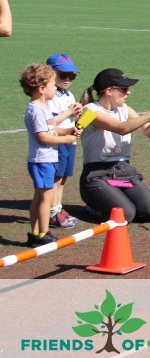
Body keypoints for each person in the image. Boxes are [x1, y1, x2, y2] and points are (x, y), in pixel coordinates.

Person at [78, 68, 150, 223]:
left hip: (123, 171)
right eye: (124, 89)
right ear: (109, 91)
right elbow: (122, 128)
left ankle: (113, 199)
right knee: (126, 214)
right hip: (97, 174)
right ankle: (94, 206)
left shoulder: (124, 109)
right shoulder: (89, 112)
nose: (128, 92)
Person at [20, 63, 81, 247]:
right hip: (42, 160)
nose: (55, 87)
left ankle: (36, 233)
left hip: (44, 160)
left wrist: (67, 130)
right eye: (53, 84)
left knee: (40, 197)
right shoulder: (36, 109)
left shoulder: (43, 107)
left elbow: (51, 129)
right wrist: (65, 140)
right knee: (45, 198)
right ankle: (42, 234)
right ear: (41, 88)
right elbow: (44, 137)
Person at [45, 53, 83, 229]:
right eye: (63, 75)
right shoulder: (50, 96)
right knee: (56, 178)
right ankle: (52, 211)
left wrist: (79, 115)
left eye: (71, 76)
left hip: (69, 141)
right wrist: (69, 112)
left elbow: (71, 120)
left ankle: (58, 207)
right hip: (57, 142)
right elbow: (50, 123)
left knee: (63, 177)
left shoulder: (68, 94)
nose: (67, 79)